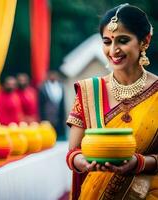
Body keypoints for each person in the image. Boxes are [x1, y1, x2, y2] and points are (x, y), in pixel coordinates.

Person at [66, 4, 158, 199]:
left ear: (144, 41)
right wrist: (84, 162)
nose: (113, 50)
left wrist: (139, 163)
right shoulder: (89, 91)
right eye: (107, 41)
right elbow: (73, 152)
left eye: (123, 40)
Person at [38, 70, 66, 140]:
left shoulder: (61, 86)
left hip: (59, 116)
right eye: (51, 75)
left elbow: (62, 102)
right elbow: (41, 104)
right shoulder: (43, 88)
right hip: (47, 116)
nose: (53, 77)